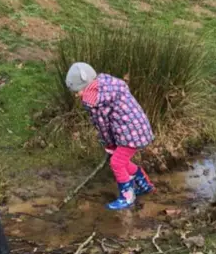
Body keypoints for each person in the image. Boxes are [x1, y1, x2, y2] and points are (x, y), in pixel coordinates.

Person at [65, 62, 156, 210]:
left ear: (85, 86)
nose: (76, 95)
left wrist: (109, 144)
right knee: (123, 160)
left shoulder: (93, 100)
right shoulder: (107, 84)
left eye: (77, 91)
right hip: (138, 127)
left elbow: (103, 125)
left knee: (116, 163)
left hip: (130, 134)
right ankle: (145, 185)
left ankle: (127, 197)